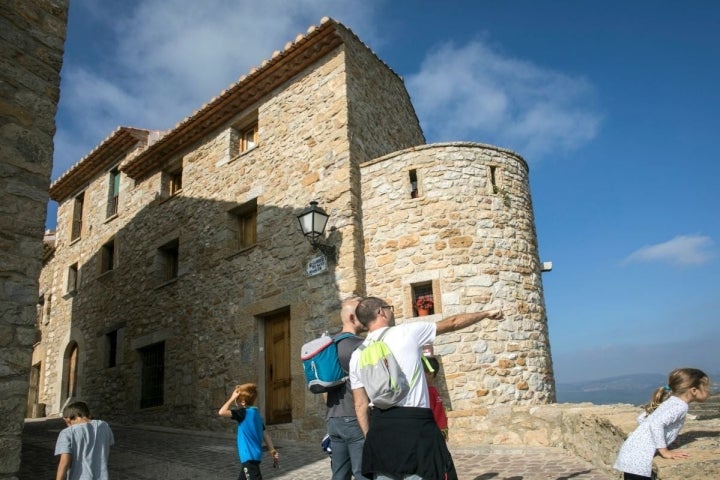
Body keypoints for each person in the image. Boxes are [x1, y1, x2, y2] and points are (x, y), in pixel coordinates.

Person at [349, 296, 503, 480]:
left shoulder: (356, 356)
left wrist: (370, 438)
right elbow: (452, 323)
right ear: (381, 312)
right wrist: (486, 313)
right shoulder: (406, 332)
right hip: (415, 425)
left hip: (380, 428)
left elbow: (360, 405)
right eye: (389, 307)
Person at [613, 368, 710, 479]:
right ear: (694, 390)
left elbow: (641, 418)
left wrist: (655, 438)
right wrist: (664, 451)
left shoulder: (670, 400)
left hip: (632, 452)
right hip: (639, 459)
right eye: (706, 388)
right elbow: (655, 424)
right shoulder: (680, 406)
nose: (708, 391)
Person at [326, 296, 369, 480]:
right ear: (352, 318)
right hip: (354, 418)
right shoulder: (359, 346)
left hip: (333, 419)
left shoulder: (328, 346)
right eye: (361, 314)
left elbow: (325, 387)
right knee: (363, 473)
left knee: (339, 474)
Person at [219, 383, 280, 480]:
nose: (236, 402)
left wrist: (231, 398)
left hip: (248, 457)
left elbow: (221, 412)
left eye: (237, 400)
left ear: (243, 402)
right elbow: (265, 434)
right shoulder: (257, 415)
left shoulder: (242, 413)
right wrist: (272, 450)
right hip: (255, 456)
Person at [54, 401, 114, 480]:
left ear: (68, 419)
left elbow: (64, 463)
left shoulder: (67, 433)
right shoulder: (104, 426)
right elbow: (108, 445)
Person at [423, 355, 449, 441]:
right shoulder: (433, 390)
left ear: (430, 374)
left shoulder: (428, 392)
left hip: (434, 431)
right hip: (441, 428)